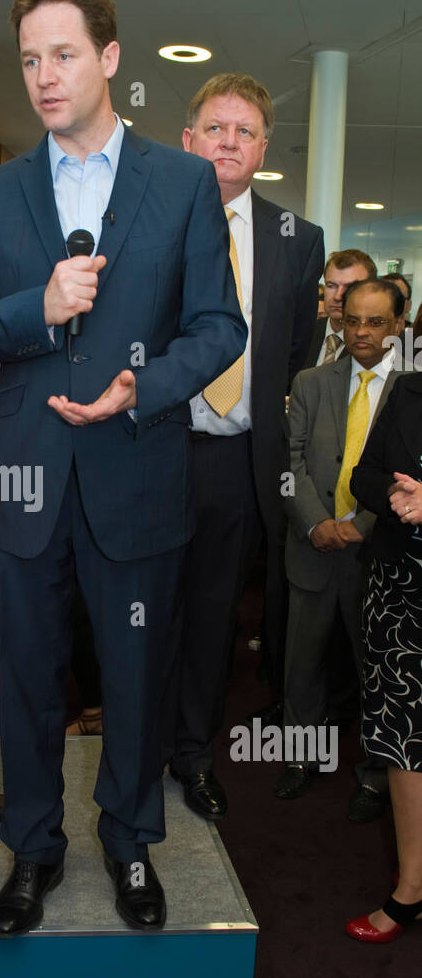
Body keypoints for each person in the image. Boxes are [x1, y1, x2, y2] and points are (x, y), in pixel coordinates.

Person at [0, 0, 246, 937]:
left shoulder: (184, 180)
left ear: (109, 59)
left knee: (132, 673)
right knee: (28, 679)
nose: (43, 75)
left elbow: (219, 327)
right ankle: (33, 849)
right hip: (27, 480)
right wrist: (40, 309)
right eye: (29, 58)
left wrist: (141, 385)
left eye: (63, 54)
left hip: (137, 466)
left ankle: (127, 838)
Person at [161, 74, 323, 820]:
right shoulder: (146, 222)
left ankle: (192, 756)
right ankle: (129, 750)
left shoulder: (299, 240)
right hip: (150, 450)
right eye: (215, 128)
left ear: (262, 149)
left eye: (244, 132)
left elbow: (296, 351)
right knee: (137, 607)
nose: (228, 142)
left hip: (236, 460)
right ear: (187, 139)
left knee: (213, 613)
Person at [278, 278, 407, 818]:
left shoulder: (413, 389)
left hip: (380, 553)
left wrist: (364, 525)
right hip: (313, 544)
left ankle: (378, 774)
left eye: (375, 322)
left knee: (376, 668)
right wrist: (316, 522)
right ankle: (302, 757)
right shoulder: (311, 382)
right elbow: (291, 462)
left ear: (399, 324)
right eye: (352, 319)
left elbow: (410, 474)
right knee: (302, 661)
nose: (360, 331)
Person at [346, 373, 422, 941]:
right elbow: (362, 475)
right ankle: (412, 886)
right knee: (403, 737)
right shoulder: (409, 390)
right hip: (401, 591)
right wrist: (397, 498)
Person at [302, 250, 376, 369]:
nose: (338, 296)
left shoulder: (380, 344)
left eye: (350, 287)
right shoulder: (304, 333)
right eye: (331, 285)